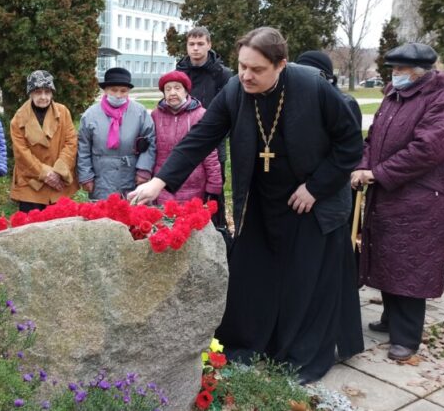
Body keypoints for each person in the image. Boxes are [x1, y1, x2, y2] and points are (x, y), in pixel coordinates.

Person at [129, 27, 364, 383]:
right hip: (262, 199)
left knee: (303, 282)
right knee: (254, 277)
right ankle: (252, 343)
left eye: (256, 69)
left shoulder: (312, 87)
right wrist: (160, 181)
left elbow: (350, 144)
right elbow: (201, 136)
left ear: (281, 65)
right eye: (241, 66)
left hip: (312, 201)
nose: (245, 75)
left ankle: (299, 355)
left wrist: (315, 187)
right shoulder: (236, 90)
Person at [351, 42, 444, 362]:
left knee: (412, 263)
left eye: (401, 70)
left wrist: (378, 173)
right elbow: (373, 138)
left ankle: (407, 337)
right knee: (388, 254)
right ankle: (390, 319)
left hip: (424, 197)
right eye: (393, 69)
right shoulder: (394, 95)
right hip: (390, 192)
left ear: (421, 72)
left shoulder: (442, 98)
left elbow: (428, 148)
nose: (395, 75)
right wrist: (363, 165)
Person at [296, 50, 364, 360]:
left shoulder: (343, 103)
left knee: (334, 276)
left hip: (329, 203)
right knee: (311, 276)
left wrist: (315, 188)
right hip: (305, 202)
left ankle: (341, 343)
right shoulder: (299, 102)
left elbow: (345, 154)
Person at [176, 27, 233, 228]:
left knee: (213, 193)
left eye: (200, 44)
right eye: (191, 44)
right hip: (185, 142)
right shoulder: (179, 73)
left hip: (214, 144)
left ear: (209, 45)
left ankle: (218, 232)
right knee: (184, 191)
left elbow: (230, 109)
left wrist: (218, 137)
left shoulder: (223, 75)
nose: (196, 48)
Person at [77, 67, 156, 201]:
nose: (118, 95)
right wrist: (86, 176)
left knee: (130, 216)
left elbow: (150, 142)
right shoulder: (90, 115)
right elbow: (83, 148)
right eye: (113, 90)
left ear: (128, 92)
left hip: (131, 176)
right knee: (102, 217)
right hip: (101, 177)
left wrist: (143, 170)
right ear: (105, 90)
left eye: (123, 91)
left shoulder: (139, 113)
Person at [9, 70, 79, 212]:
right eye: (38, 92)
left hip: (59, 183)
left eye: (47, 92)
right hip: (31, 185)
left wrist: (58, 172)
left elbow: (71, 142)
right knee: (31, 229)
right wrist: (46, 174)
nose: (43, 97)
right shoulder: (18, 118)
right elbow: (21, 153)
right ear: (30, 93)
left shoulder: (63, 111)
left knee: (61, 227)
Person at [151, 70, 222, 205]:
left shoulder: (201, 115)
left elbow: (209, 153)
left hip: (193, 184)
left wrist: (214, 184)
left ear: (186, 91)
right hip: (162, 184)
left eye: (177, 88)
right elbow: (151, 150)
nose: (172, 93)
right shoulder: (155, 116)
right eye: (168, 89)